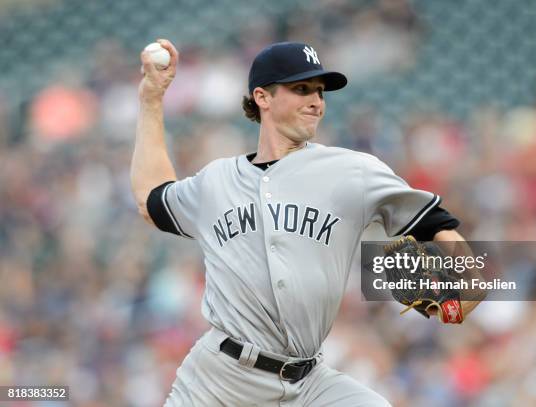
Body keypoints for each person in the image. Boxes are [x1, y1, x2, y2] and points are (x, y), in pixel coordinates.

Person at [131, 39, 481, 406]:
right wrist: (151, 99)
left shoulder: (353, 171)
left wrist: (467, 289)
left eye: (320, 92)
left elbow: (435, 224)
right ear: (262, 97)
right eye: (301, 89)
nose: (316, 101)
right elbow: (150, 198)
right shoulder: (215, 181)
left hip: (309, 384)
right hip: (219, 382)